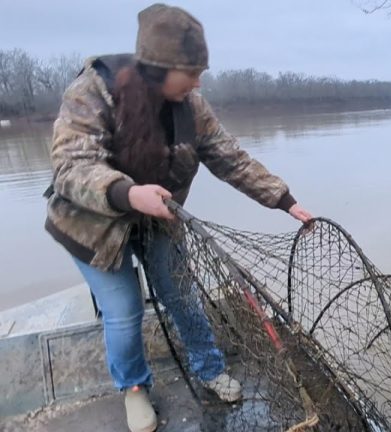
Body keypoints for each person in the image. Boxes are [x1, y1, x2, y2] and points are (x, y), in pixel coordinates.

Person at [43, 4, 313, 432]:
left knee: (183, 295)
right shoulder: (93, 91)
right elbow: (70, 166)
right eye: (191, 71)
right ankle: (134, 388)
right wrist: (128, 192)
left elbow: (232, 159)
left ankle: (210, 369)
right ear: (158, 67)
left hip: (159, 220)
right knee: (124, 309)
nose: (199, 81)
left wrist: (284, 199)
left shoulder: (193, 106)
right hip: (92, 225)